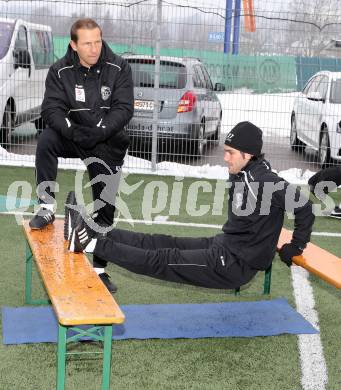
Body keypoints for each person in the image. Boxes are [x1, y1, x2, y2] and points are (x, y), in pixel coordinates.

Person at [67, 121, 315, 290]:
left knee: (163, 260)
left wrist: (296, 246)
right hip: (224, 246)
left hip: (233, 264)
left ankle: (90, 243)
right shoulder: (245, 172)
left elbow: (305, 207)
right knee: (162, 241)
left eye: (230, 152)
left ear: (248, 155)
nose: (225, 157)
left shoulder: (265, 180)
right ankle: (98, 231)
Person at [29, 18, 134, 293]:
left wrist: (99, 132)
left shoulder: (119, 67)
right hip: (74, 136)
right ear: (74, 44)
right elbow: (51, 108)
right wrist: (73, 132)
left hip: (106, 140)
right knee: (47, 140)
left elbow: (124, 109)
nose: (94, 48)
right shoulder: (59, 70)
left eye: (98, 41)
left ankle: (99, 269)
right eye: (87, 43)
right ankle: (46, 207)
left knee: (106, 206)